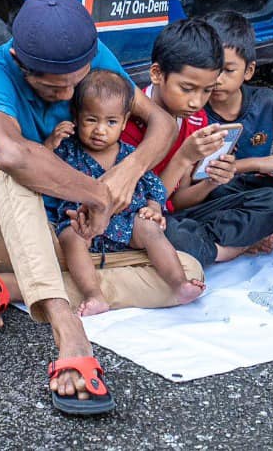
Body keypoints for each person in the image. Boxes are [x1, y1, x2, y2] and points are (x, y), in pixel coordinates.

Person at [0, 0, 199, 417]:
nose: (70, 92)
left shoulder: (93, 57)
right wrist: (97, 193)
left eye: (77, 80)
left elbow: (163, 123)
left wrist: (123, 177)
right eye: (55, 86)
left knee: (186, 272)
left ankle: (6, 286)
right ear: (20, 60)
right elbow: (12, 154)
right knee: (15, 165)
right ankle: (69, 329)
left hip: (58, 235)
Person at [119, 18, 273, 268]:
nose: (196, 102)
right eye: (187, 89)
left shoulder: (195, 120)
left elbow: (178, 201)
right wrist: (183, 158)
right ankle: (228, 249)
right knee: (168, 232)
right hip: (142, 220)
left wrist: (210, 181)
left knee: (272, 202)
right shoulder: (125, 123)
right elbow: (142, 207)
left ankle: (206, 247)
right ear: (157, 74)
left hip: (179, 217)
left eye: (206, 91)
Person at [45, 69, 204, 315]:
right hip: (81, 222)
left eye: (111, 122)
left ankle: (178, 283)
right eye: (91, 120)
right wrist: (49, 144)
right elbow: (43, 170)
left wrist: (153, 207)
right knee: (71, 239)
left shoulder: (130, 154)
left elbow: (153, 185)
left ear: (124, 121)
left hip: (126, 223)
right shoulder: (68, 150)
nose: (100, 130)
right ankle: (95, 296)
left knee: (150, 228)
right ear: (76, 116)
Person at [203, 10, 273, 235]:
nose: (217, 79)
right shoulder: (194, 111)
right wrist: (254, 164)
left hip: (262, 190)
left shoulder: (266, 102)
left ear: (249, 70)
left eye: (228, 70)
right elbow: (196, 178)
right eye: (211, 68)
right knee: (233, 199)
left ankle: (260, 230)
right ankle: (256, 232)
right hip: (217, 191)